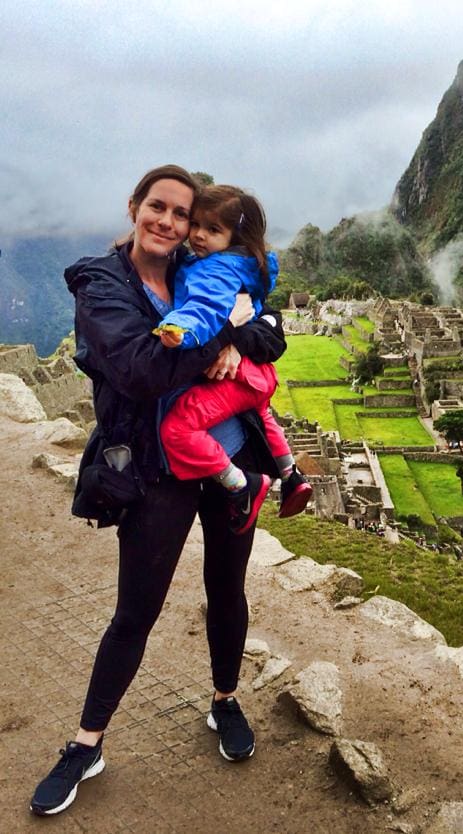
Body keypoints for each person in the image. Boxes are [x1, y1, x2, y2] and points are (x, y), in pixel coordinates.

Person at [29, 165, 286, 816]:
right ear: (135, 207)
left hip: (229, 452)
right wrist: (224, 339)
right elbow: (141, 370)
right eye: (160, 208)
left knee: (226, 590)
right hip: (159, 467)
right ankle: (87, 743)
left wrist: (240, 331)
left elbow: (273, 330)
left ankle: (225, 700)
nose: (171, 223)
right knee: (135, 612)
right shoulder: (101, 282)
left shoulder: (193, 267)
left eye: (183, 214)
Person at [154, 184, 312, 532]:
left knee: (177, 427)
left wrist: (179, 327)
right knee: (261, 413)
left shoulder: (215, 272)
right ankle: (291, 475)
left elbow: (205, 310)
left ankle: (243, 486)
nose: (197, 235)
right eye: (195, 224)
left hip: (237, 378)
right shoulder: (246, 268)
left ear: (235, 236)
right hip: (256, 377)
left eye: (212, 230)